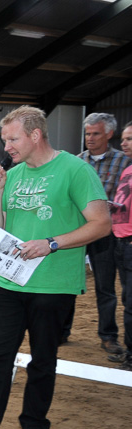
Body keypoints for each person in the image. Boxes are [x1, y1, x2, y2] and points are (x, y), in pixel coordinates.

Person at [0, 105, 110, 429]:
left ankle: (35, 427)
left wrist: (51, 244)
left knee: (43, 360)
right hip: (7, 284)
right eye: (5, 140)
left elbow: (100, 223)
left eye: (13, 139)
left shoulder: (75, 170)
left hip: (54, 284)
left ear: (35, 135)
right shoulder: (14, 175)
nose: (7, 147)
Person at [78, 112, 130, 359]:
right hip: (75, 231)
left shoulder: (124, 162)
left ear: (109, 134)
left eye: (95, 133)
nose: (90, 138)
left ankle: (108, 336)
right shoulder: (76, 162)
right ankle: (61, 331)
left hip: (105, 234)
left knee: (105, 287)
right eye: (87, 133)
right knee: (67, 283)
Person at [109, 120, 132, 370]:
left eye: (129, 139)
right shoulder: (127, 170)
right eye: (123, 138)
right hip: (121, 242)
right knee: (128, 301)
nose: (123, 143)